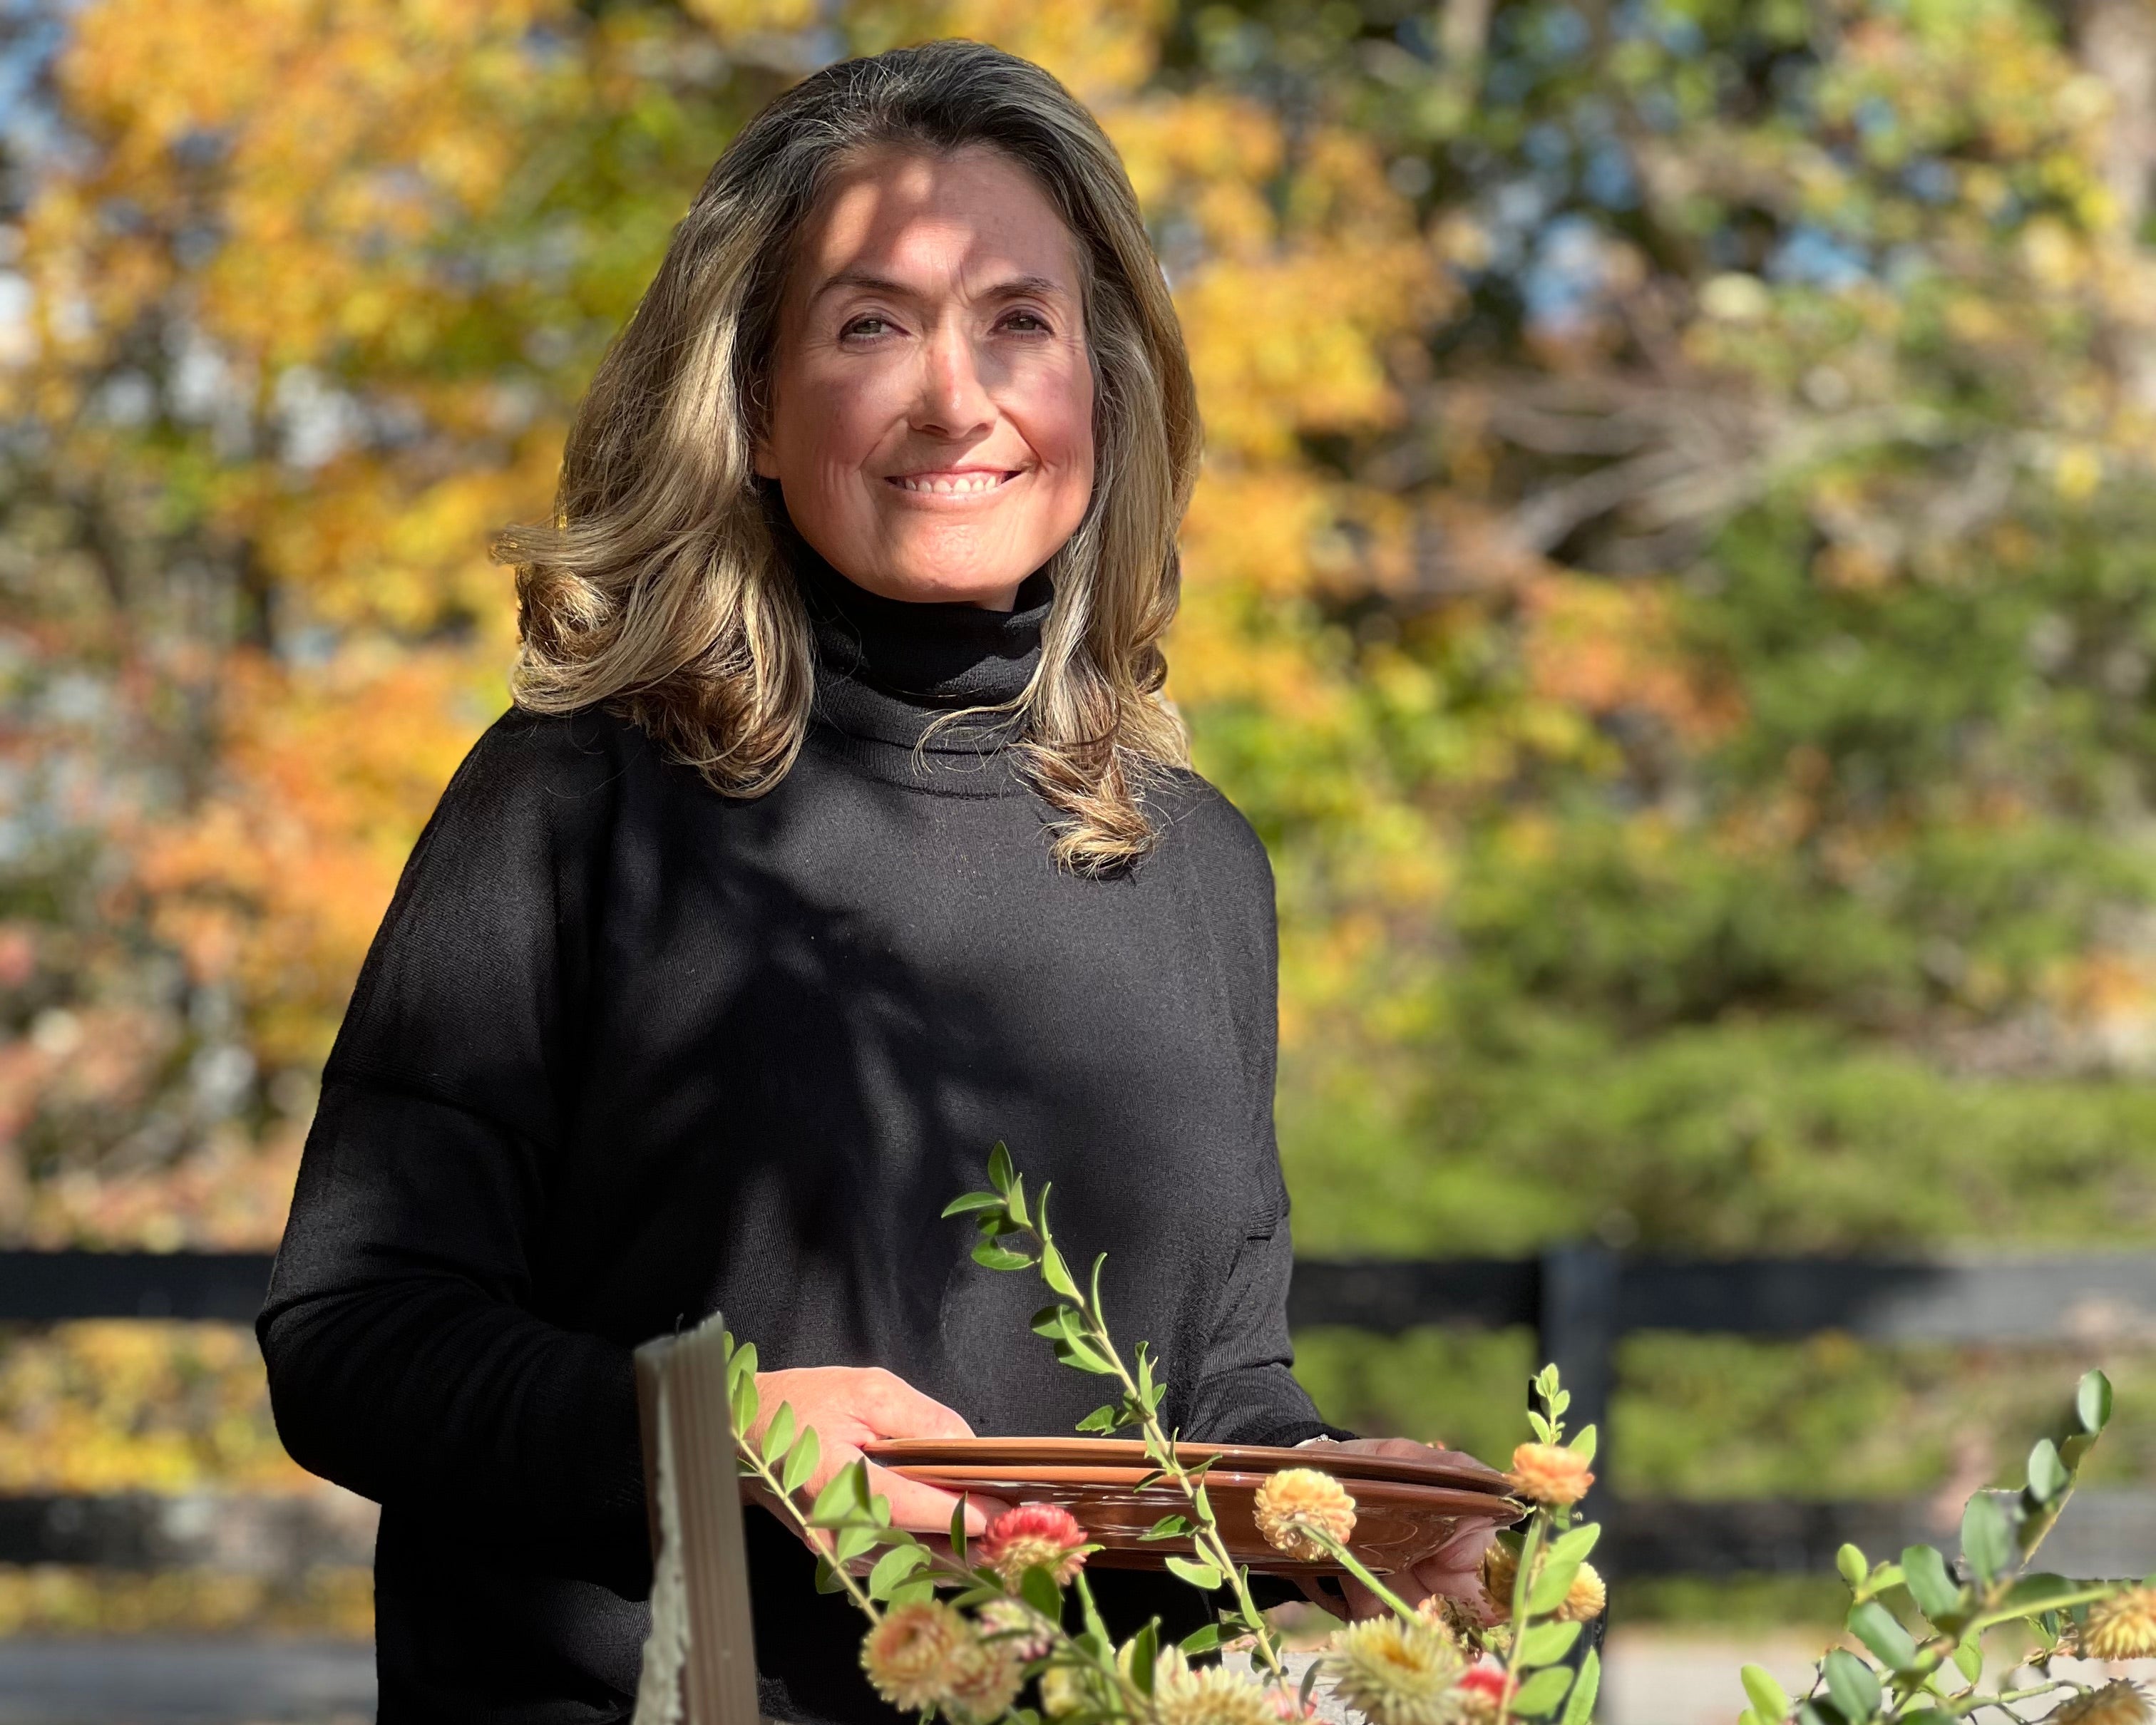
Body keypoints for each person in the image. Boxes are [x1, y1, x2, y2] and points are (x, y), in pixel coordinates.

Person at [258, 38, 1496, 1725]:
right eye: (869, 325)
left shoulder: (1195, 860)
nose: (954, 396)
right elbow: (351, 1335)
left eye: (1018, 322)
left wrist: (1331, 1504)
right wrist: (714, 1428)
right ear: (757, 407)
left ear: (1104, 391)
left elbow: (1212, 1382)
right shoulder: (574, 800)